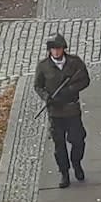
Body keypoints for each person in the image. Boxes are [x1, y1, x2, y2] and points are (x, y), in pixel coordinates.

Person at [34, 33, 90, 188]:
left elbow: (85, 80)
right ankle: (64, 172)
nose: (56, 52)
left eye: (58, 49)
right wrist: (47, 97)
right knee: (59, 145)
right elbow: (38, 86)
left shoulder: (75, 63)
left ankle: (76, 163)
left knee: (78, 139)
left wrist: (70, 90)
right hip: (55, 112)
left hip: (71, 109)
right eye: (53, 49)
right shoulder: (43, 66)